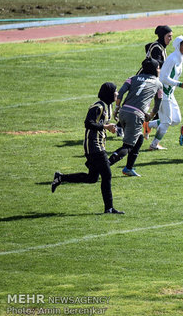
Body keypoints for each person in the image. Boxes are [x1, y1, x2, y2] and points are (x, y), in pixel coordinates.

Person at [51, 82, 124, 214]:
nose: (117, 93)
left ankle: (60, 178)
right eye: (115, 91)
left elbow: (102, 124)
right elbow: (88, 123)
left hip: (99, 145)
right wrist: (105, 127)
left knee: (92, 178)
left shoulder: (108, 106)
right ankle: (109, 208)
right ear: (109, 93)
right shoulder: (97, 107)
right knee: (107, 175)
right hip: (93, 146)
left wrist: (110, 127)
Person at [108, 58, 163, 177]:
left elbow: (120, 93)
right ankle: (105, 166)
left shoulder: (132, 78)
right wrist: (151, 115)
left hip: (123, 112)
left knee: (139, 140)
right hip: (136, 115)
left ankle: (128, 168)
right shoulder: (158, 84)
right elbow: (158, 103)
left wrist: (117, 109)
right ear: (154, 70)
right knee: (127, 146)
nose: (159, 70)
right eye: (158, 67)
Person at [145, 35, 183, 151]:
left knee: (176, 120)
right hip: (163, 93)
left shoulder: (180, 58)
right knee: (166, 122)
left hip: (170, 93)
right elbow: (163, 78)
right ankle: (154, 144)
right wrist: (179, 84)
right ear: (177, 46)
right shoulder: (172, 59)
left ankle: (148, 125)